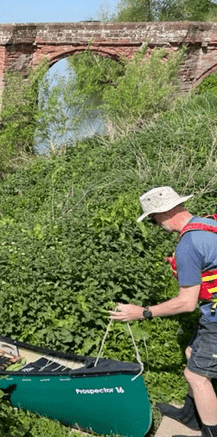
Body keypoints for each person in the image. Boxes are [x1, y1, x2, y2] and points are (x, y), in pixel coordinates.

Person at [110, 186, 217, 437]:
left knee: (196, 377)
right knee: (191, 352)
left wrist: (142, 312)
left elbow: (186, 303)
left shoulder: (188, 245)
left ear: (162, 214)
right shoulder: (207, 223)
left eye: (153, 219)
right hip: (211, 310)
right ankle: (191, 416)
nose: (156, 225)